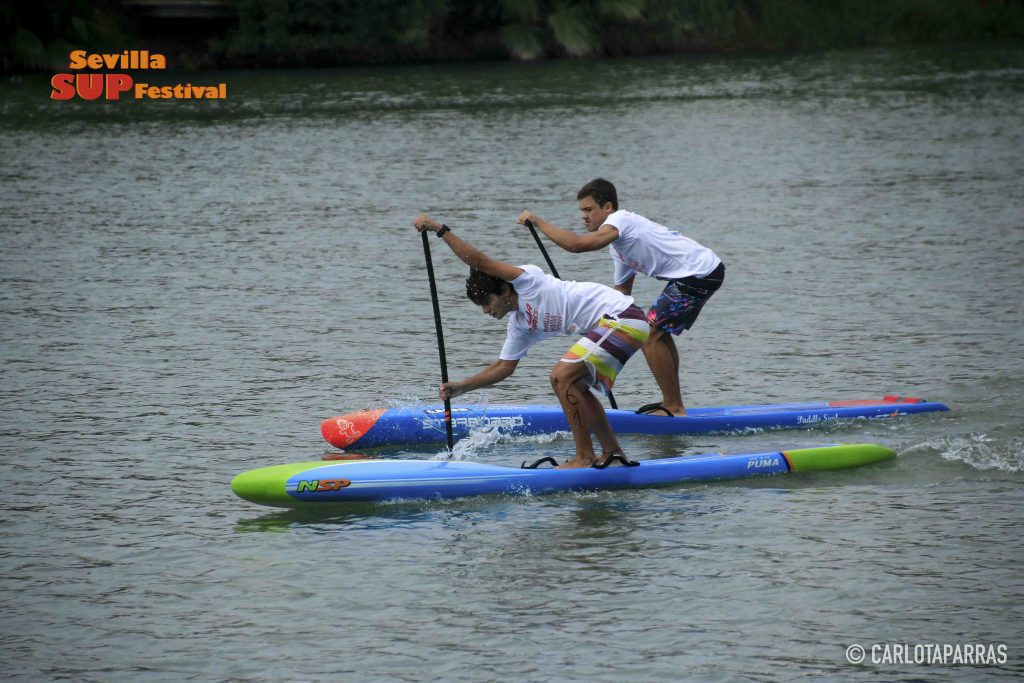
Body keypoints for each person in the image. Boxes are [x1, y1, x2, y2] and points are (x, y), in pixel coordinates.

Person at [413, 213, 650, 469]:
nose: (485, 311)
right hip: (616, 327)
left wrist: (440, 229)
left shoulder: (527, 281)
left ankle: (584, 457)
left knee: (561, 377)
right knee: (576, 385)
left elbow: (479, 261)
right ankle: (614, 454)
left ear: (504, 290)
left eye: (486, 302)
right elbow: (504, 367)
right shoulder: (520, 324)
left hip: (623, 318)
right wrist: (462, 387)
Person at [517, 178, 724, 417]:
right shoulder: (618, 249)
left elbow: (577, 245)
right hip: (695, 275)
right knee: (657, 332)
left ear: (608, 208)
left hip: (700, 272)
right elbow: (621, 296)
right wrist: (597, 322)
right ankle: (674, 404)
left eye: (588, 209)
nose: (584, 216)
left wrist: (539, 222)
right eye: (581, 211)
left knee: (651, 334)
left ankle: (674, 406)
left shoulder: (621, 219)